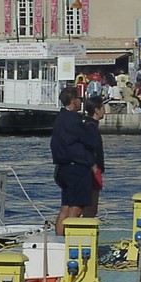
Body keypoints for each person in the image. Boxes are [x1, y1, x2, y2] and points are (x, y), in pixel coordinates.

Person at [50, 86, 98, 235]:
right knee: (76, 209)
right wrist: (91, 162)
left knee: (65, 207)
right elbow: (89, 141)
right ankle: (69, 241)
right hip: (76, 169)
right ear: (72, 101)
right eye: (79, 99)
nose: (80, 102)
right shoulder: (73, 120)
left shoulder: (60, 118)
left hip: (63, 168)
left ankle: (59, 241)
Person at [82, 96, 106, 217]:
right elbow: (90, 149)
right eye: (102, 108)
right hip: (93, 168)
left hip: (92, 168)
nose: (104, 111)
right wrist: (94, 167)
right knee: (92, 205)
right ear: (96, 110)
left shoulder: (88, 125)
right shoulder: (91, 127)